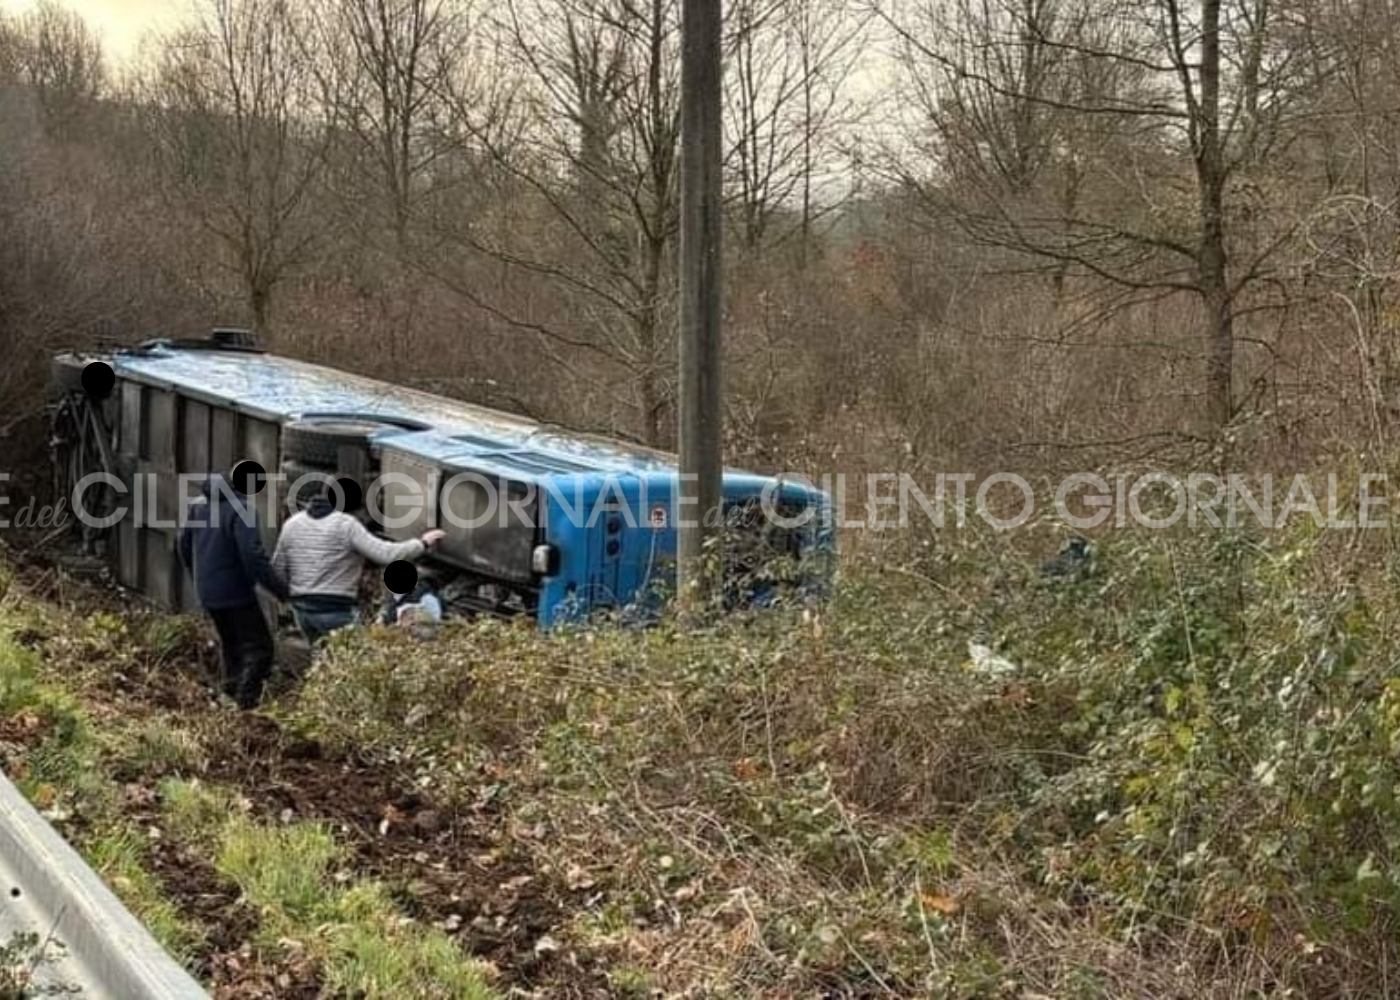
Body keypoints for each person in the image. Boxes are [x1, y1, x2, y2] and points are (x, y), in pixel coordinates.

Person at [273, 482, 446, 646]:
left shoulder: (292, 524)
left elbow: (277, 569)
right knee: (355, 660)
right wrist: (422, 543)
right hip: (335, 609)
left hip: (303, 612)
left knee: (322, 662)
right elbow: (386, 554)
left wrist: (289, 598)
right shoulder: (346, 524)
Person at [179, 472, 289, 710]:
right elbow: (253, 557)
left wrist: (198, 579)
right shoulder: (243, 511)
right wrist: (281, 590)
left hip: (207, 592)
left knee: (230, 644)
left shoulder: (197, 506)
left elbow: (184, 546)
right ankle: (245, 704)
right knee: (260, 649)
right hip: (235, 591)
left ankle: (228, 694)